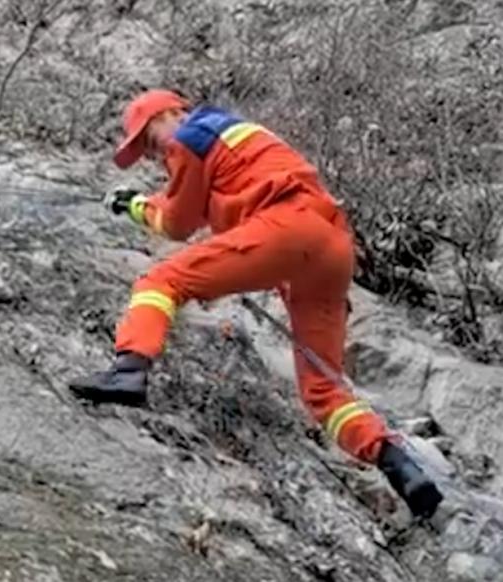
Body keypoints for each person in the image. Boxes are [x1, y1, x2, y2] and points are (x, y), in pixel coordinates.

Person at [69, 89, 443, 519]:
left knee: (160, 280)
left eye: (149, 140)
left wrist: (133, 204)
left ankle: (128, 372)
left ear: (172, 113)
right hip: (331, 245)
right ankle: (398, 464)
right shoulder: (234, 137)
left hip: (286, 231)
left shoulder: (190, 136)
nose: (154, 154)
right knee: (323, 390)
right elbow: (207, 207)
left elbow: (177, 223)